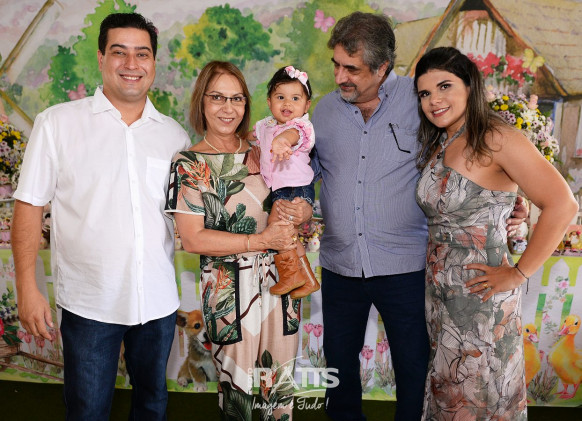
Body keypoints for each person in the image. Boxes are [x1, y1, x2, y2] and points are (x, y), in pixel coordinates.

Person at [306, 12, 528, 421]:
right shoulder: (323, 112)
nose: (339, 77)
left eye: (352, 69)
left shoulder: (424, 103)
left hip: (407, 269)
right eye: (336, 65)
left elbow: (475, 154)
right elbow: (305, 172)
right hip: (339, 266)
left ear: (382, 67)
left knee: (413, 370)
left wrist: (514, 197)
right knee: (338, 368)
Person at [11, 13, 191, 420]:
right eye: (119, 52)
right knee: (88, 410)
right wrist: (27, 287)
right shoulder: (57, 124)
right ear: (101, 58)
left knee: (153, 404)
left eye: (142, 54)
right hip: (90, 304)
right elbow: (29, 206)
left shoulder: (173, 135)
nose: (131, 64)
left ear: (154, 62)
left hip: (157, 302)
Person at [414, 46, 577, 420]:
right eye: (424, 93)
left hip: (482, 299)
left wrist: (519, 273)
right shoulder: (442, 140)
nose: (434, 100)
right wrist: (513, 206)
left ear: (470, 86)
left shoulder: (496, 137)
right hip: (441, 298)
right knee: (451, 393)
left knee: (482, 394)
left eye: (444, 86)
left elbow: (563, 205)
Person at [165, 60, 312, 421]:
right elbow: (193, 239)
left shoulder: (264, 148)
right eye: (217, 97)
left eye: (237, 98)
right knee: (239, 400)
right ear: (201, 101)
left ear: (247, 103)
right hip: (229, 296)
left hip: (280, 286)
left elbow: (298, 190)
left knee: (279, 394)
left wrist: (303, 210)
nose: (228, 108)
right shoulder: (189, 163)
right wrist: (260, 240)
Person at [255, 65, 319, 299]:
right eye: (280, 97)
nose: (287, 104)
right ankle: (308, 279)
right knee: (289, 233)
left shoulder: (300, 127)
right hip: (281, 188)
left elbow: (290, 137)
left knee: (278, 227)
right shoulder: (266, 125)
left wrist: (282, 142)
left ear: (306, 105)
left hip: (295, 187)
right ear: (269, 101)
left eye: (295, 98)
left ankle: (291, 275)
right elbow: (254, 137)